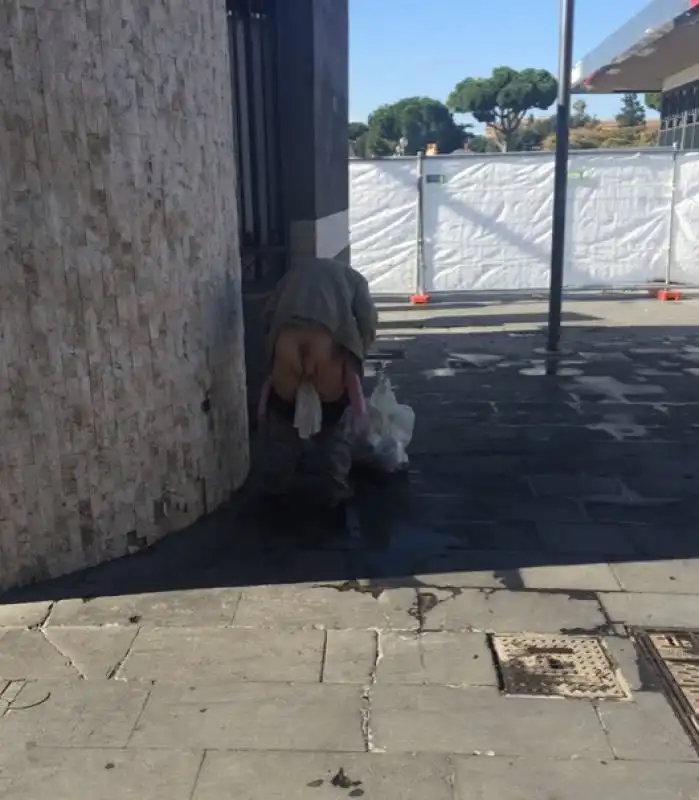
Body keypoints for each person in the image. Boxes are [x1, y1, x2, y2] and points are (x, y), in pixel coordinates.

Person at [256, 257, 378, 509]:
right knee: (334, 430)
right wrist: (357, 353)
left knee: (283, 424)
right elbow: (368, 319)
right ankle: (335, 491)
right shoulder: (354, 279)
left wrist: (274, 351)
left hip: (287, 344)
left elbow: (267, 316)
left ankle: (275, 491)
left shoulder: (291, 275)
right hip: (327, 351)